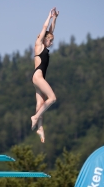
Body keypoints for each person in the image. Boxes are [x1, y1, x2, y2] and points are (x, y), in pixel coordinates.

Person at [31, 8, 59, 143]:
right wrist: (49, 16)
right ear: (44, 40)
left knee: (40, 103)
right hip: (38, 77)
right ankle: (35, 117)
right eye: (50, 41)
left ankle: (40, 128)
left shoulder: (44, 46)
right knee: (52, 98)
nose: (52, 43)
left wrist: (55, 18)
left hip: (38, 78)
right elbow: (45, 28)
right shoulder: (39, 45)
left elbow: (50, 31)